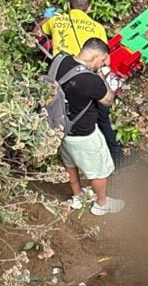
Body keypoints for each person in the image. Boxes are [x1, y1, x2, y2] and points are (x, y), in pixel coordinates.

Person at [38, 0, 123, 166]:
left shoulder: (56, 21)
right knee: (102, 117)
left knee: (60, 109)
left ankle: (59, 151)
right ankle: (116, 157)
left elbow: (37, 34)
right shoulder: (97, 27)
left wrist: (46, 19)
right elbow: (104, 58)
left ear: (68, 5)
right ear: (89, 8)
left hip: (62, 70)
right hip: (86, 77)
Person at [52, 39, 125, 215]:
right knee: (99, 171)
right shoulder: (91, 81)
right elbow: (108, 100)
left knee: (70, 164)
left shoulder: (59, 59)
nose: (103, 64)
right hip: (84, 135)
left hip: (60, 128)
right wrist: (101, 76)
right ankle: (101, 204)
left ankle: (77, 197)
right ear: (96, 56)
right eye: (102, 61)